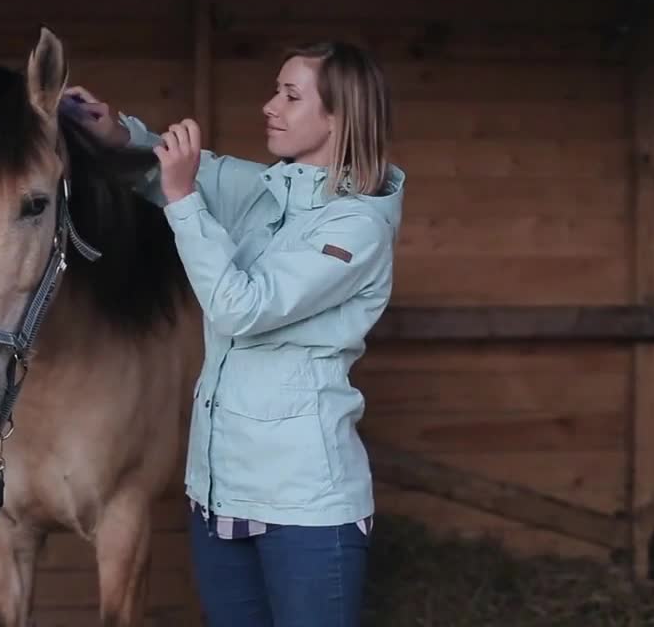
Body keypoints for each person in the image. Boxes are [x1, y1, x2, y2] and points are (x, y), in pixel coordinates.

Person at [63, 41, 405, 627]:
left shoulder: (357, 226)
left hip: (306, 510)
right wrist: (119, 135)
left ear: (340, 117)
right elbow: (188, 170)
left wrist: (183, 198)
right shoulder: (270, 191)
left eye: (291, 96)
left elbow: (240, 308)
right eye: (276, 90)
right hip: (219, 498)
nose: (270, 106)